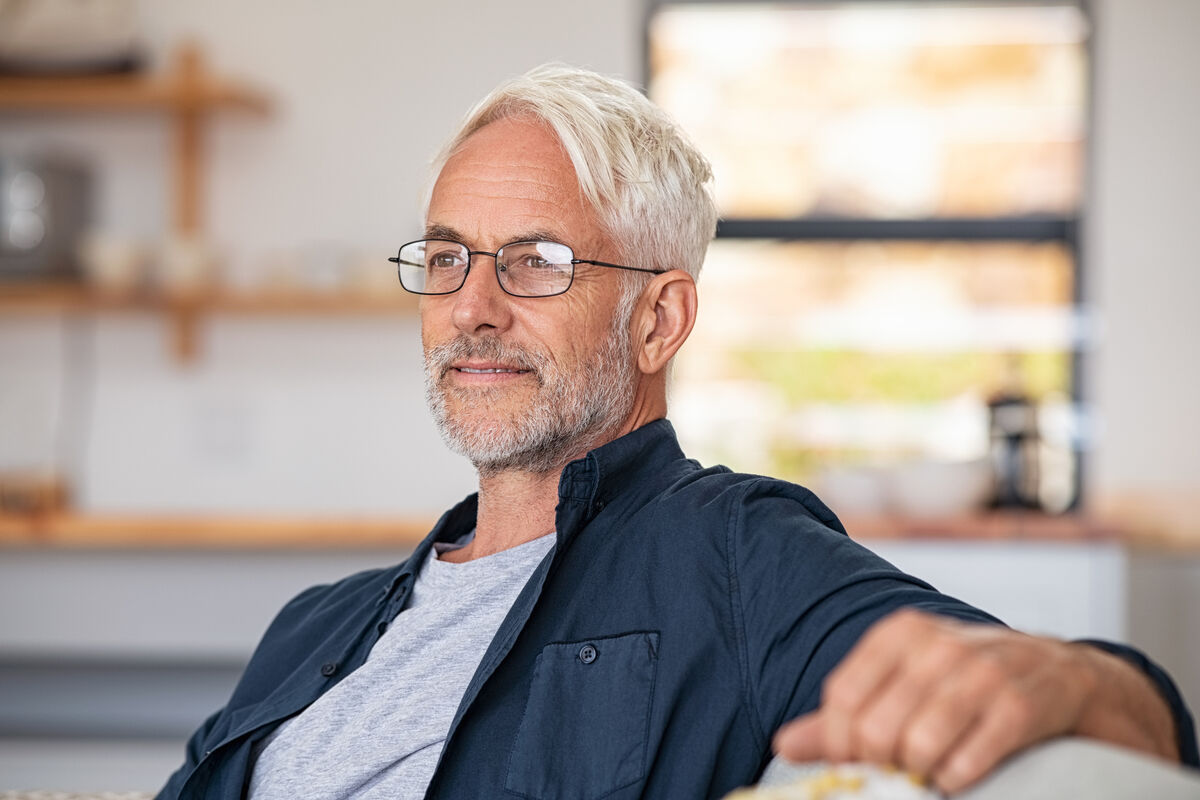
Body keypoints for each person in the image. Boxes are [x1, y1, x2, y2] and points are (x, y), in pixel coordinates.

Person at [157, 64, 1197, 800]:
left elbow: (1067, 700)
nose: (472, 306)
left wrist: (1084, 679)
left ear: (658, 319)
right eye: (446, 259)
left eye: (536, 262)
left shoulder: (734, 552)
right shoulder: (315, 626)